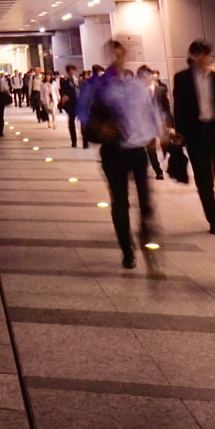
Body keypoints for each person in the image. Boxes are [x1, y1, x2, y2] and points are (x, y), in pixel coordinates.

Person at [78, 40, 167, 270]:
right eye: (114, 55)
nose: (118, 59)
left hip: (137, 152)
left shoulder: (136, 86)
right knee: (120, 203)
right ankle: (127, 251)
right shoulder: (100, 87)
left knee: (146, 202)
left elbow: (151, 111)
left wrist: (164, 133)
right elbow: (84, 113)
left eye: (121, 55)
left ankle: (146, 233)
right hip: (113, 152)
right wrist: (98, 128)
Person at [172, 41, 215, 234]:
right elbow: (179, 108)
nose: (203, 58)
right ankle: (214, 218)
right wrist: (180, 132)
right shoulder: (182, 78)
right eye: (199, 54)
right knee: (203, 178)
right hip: (195, 133)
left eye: (206, 54)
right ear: (192, 56)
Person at [137, 66, 169, 179]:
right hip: (147, 124)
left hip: (161, 122)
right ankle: (158, 170)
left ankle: (168, 164)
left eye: (147, 76)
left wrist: (170, 125)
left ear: (151, 76)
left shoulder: (161, 90)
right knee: (151, 149)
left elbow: (166, 108)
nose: (145, 79)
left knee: (166, 145)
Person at [58, 64, 82, 147]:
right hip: (71, 105)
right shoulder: (65, 82)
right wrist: (64, 97)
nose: (72, 72)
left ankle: (85, 140)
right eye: (70, 71)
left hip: (80, 104)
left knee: (83, 122)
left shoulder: (79, 81)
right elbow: (63, 92)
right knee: (71, 123)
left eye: (73, 70)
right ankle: (74, 141)